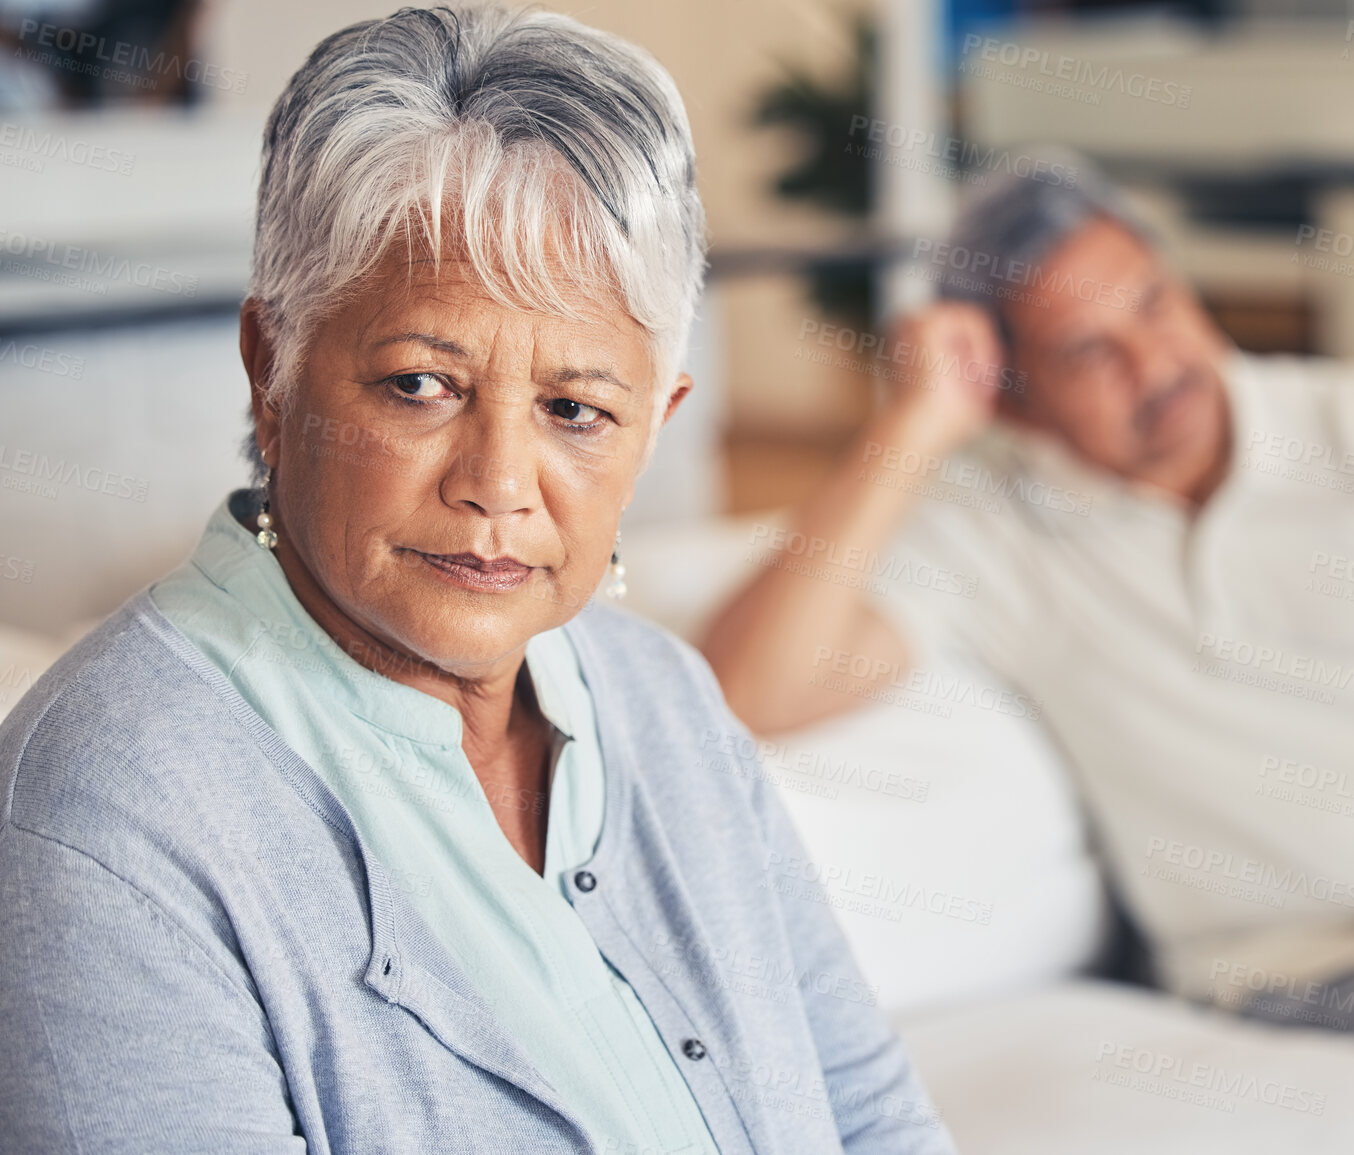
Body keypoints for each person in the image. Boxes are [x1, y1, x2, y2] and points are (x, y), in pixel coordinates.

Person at [0, 8, 954, 1153]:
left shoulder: (666, 701)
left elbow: (874, 1117)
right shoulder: (112, 820)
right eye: (420, 385)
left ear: (657, 426)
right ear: (272, 369)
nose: (499, 484)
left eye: (575, 411)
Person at [700, 159, 1354, 1154]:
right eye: (1089, 352)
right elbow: (744, 691)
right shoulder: (986, 531)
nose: (1154, 365)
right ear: (1013, 398)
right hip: (1329, 962)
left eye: (1152, 304)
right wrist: (915, 425)